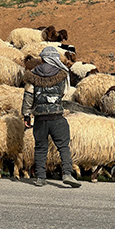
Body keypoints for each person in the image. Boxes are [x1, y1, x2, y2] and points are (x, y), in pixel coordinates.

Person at [21, 47, 80, 188]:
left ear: (42, 59)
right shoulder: (62, 74)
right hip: (57, 117)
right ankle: (67, 173)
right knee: (63, 146)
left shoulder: (32, 75)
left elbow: (28, 97)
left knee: (41, 147)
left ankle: (41, 177)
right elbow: (64, 93)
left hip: (40, 118)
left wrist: (26, 115)